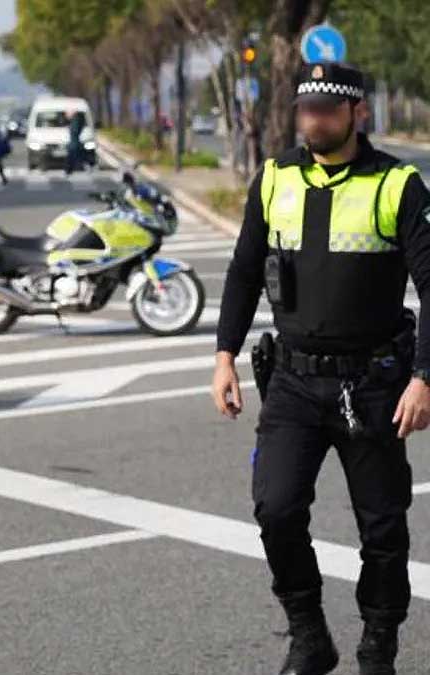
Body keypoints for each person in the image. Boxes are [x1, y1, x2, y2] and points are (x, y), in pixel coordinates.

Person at [212, 62, 430, 675]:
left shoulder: (397, 184)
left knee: (382, 527)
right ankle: (309, 634)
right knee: (275, 508)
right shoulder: (275, 176)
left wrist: (424, 376)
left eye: (327, 111)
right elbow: (244, 270)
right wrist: (224, 355)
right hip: (293, 380)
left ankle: (377, 645)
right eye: (306, 109)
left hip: (375, 383)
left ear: (356, 113)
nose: (314, 120)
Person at [65, 109, 85, 175]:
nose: (66, 115)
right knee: (73, 156)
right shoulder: (76, 120)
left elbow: (75, 131)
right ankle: (71, 169)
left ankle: (70, 170)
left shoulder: (75, 120)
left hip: (74, 143)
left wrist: (70, 128)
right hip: (74, 142)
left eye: (67, 113)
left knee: (72, 156)